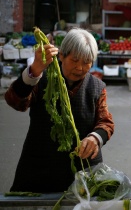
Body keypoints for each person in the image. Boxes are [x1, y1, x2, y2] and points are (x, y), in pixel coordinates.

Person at [5, 27, 114, 192]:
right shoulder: (41, 79)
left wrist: (95, 138)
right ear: (61, 55)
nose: (80, 68)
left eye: (86, 62)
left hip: (83, 170)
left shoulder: (97, 86)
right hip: (40, 168)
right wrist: (34, 71)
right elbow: (15, 102)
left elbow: (105, 122)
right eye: (75, 60)